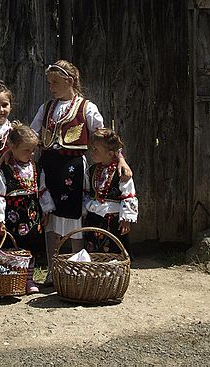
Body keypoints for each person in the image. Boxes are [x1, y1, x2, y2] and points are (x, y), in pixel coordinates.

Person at [30, 60, 132, 285]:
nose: (51, 87)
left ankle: (78, 269)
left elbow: (107, 138)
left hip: (73, 169)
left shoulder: (87, 108)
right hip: (48, 168)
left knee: (73, 219)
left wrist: (121, 160)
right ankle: (52, 270)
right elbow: (32, 134)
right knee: (51, 220)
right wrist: (12, 152)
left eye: (56, 82)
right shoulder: (46, 108)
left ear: (71, 81)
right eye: (49, 83)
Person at [0, 123, 50, 294]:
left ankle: (28, 280)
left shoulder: (35, 167)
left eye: (33, 150)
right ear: (12, 148)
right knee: (12, 246)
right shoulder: (3, 169)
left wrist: (46, 210)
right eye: (26, 150)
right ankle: (12, 279)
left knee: (31, 246)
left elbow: (42, 190)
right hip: (13, 215)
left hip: (32, 214)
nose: (31, 154)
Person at [84, 128, 138, 259]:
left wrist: (126, 220)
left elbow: (128, 194)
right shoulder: (91, 171)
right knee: (94, 249)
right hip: (94, 218)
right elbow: (86, 192)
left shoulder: (121, 172)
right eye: (92, 148)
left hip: (113, 221)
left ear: (110, 154)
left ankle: (114, 276)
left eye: (96, 149)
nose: (92, 152)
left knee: (114, 250)